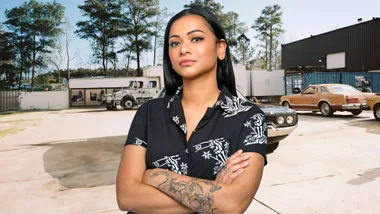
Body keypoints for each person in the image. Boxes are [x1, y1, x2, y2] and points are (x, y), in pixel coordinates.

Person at [116, 7, 268, 214]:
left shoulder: (249, 117)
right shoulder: (149, 113)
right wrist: (213, 193)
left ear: (220, 48)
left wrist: (155, 176)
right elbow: (126, 196)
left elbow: (233, 203)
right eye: (175, 43)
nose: (183, 50)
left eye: (195, 39)